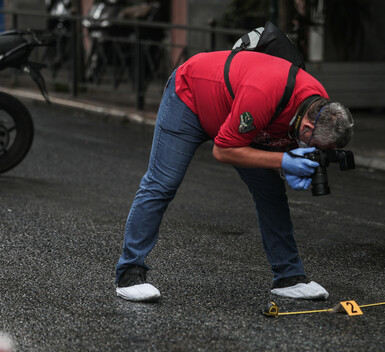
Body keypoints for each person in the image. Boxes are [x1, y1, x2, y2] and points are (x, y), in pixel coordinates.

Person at [114, 50, 354, 302]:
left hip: (236, 115)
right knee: (162, 184)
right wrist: (283, 160)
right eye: (315, 147)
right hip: (190, 98)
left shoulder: (319, 103)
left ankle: (289, 277)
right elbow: (223, 150)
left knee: (270, 190)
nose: (314, 153)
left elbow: (273, 137)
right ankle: (129, 273)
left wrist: (283, 166)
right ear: (306, 128)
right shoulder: (264, 93)